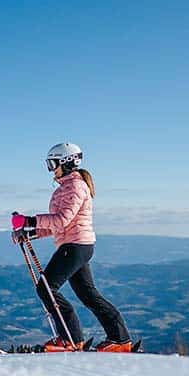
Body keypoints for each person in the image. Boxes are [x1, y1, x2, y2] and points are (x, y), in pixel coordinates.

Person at [12, 142, 132, 352]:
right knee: (88, 294)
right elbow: (56, 226)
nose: (51, 169)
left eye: (53, 164)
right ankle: (119, 339)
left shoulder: (75, 187)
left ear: (66, 162)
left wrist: (29, 221)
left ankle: (70, 338)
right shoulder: (66, 188)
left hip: (75, 246)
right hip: (76, 245)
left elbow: (61, 220)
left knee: (46, 288)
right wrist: (29, 232)